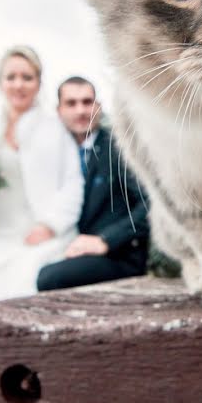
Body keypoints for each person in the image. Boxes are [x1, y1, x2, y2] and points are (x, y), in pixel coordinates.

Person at [0, 46, 83, 305]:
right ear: (0, 83)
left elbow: (72, 183)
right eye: (11, 77)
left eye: (27, 77)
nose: (18, 84)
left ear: (38, 82)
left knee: (25, 292)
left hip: (39, 237)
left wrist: (51, 225)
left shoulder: (54, 129)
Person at [36, 76, 149, 291]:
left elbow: (150, 205)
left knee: (47, 277)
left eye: (87, 102)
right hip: (65, 248)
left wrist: (105, 240)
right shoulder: (53, 152)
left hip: (116, 256)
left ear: (98, 106)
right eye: (71, 103)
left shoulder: (120, 147)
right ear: (59, 110)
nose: (80, 110)